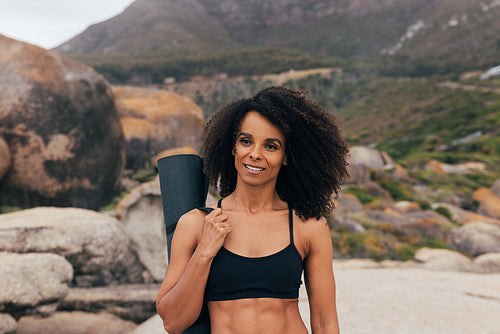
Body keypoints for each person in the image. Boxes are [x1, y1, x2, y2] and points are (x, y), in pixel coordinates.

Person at [156, 86, 349, 334]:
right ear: (233, 147)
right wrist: (204, 252)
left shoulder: (309, 227)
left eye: (271, 146)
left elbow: (325, 322)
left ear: (286, 157)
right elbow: (173, 322)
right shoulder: (196, 223)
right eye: (246, 141)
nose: (255, 154)